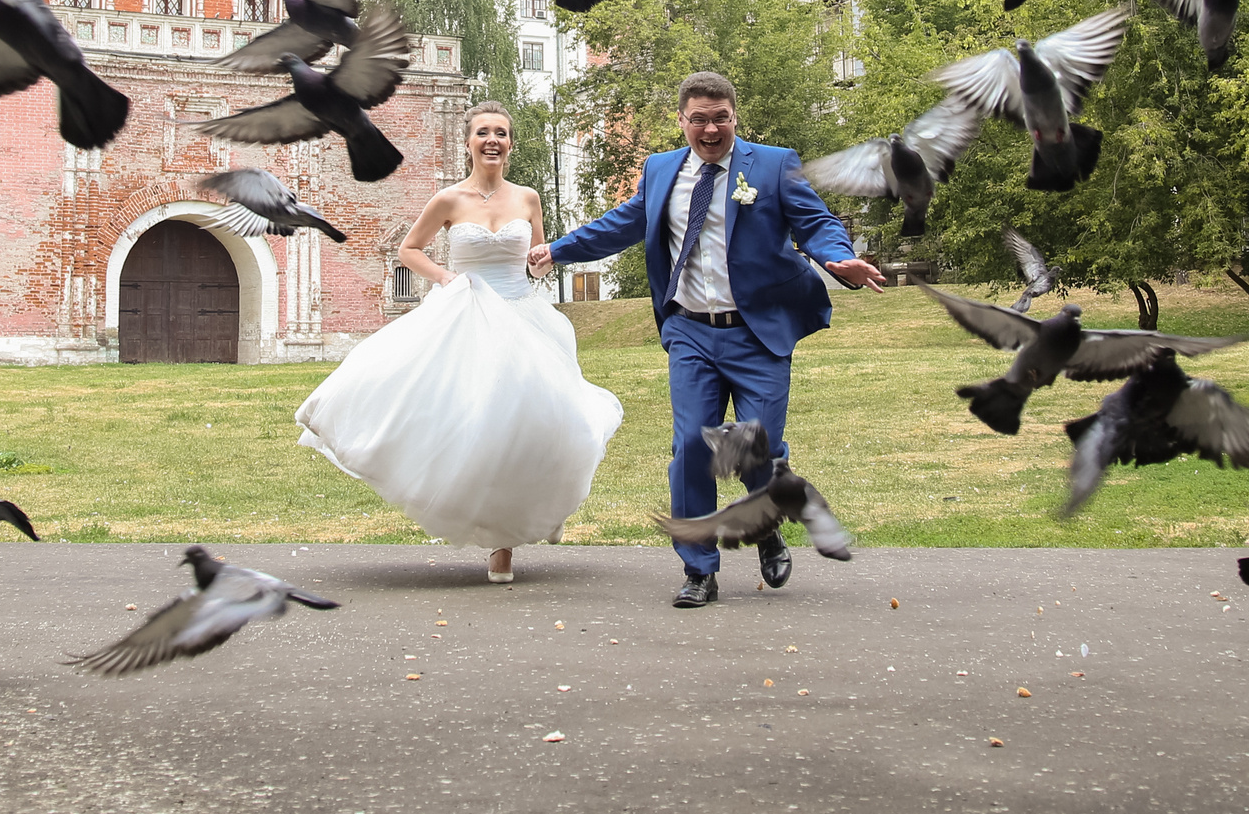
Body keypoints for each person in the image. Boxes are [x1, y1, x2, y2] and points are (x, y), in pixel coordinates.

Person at [530, 70, 886, 608]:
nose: (711, 129)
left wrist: (837, 257)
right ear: (682, 121)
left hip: (758, 333)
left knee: (754, 448)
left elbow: (815, 221)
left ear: (735, 117)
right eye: (699, 119)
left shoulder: (772, 164)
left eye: (721, 118)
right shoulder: (660, 170)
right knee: (692, 450)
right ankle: (699, 569)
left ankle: (766, 524)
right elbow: (621, 225)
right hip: (691, 332)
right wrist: (558, 250)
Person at [295, 100, 622, 584]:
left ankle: (523, 522)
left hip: (522, 317)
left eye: (501, 133)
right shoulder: (448, 200)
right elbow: (409, 249)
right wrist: (446, 278)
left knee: (533, 424)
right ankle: (495, 537)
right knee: (475, 424)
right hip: (466, 314)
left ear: (510, 143)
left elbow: (537, 260)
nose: (493, 140)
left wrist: (542, 261)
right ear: (468, 141)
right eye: (483, 132)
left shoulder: (528, 198)